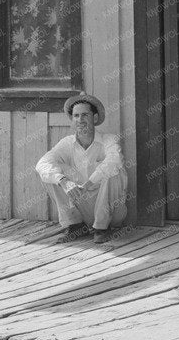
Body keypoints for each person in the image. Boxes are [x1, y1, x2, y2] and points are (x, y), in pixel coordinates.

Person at [36, 92, 127, 244]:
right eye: (76, 116)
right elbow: (42, 163)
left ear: (95, 118)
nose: (80, 120)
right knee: (52, 172)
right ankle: (76, 226)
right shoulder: (66, 143)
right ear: (72, 120)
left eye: (85, 115)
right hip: (81, 204)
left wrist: (90, 182)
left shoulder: (108, 140)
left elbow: (114, 160)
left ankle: (102, 228)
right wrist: (64, 181)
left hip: (110, 211)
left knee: (115, 170)